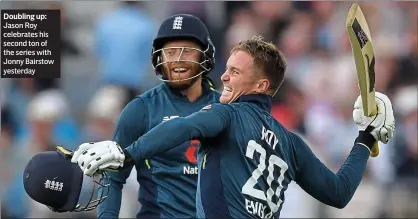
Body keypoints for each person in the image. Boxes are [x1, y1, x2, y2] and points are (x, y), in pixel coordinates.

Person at [71, 36, 395, 218]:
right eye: (227, 69)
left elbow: (181, 128)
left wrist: (127, 154)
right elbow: (338, 193)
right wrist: (365, 138)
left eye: (235, 72)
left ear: (261, 85)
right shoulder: (291, 142)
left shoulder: (227, 115)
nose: (224, 77)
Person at [89, 14, 219, 218]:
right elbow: (112, 177)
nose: (177, 59)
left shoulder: (228, 109)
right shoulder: (140, 110)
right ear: (159, 58)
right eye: (171, 52)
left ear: (205, 55)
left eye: (187, 51)